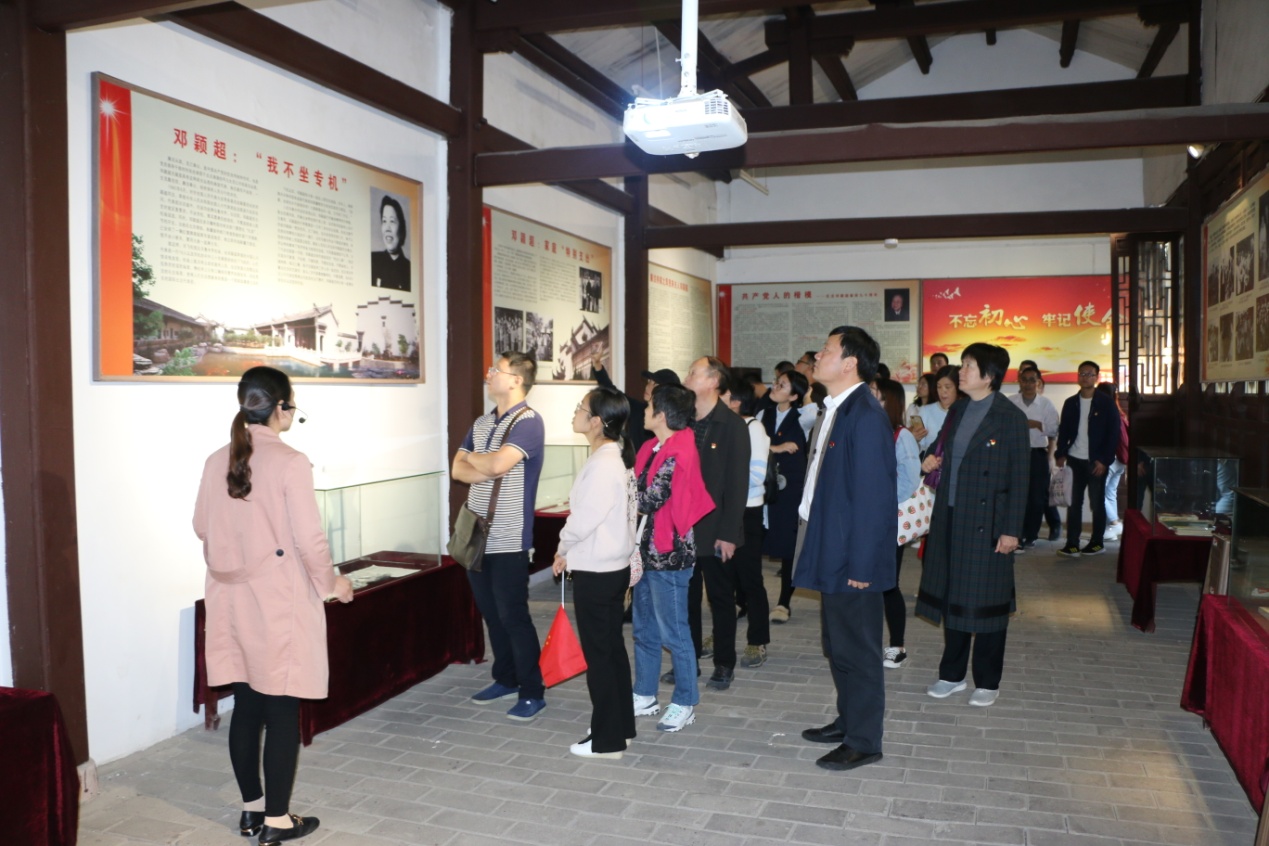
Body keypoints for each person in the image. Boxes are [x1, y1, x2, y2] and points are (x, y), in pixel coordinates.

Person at [193, 366, 354, 844]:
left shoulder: (216, 459)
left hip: (229, 598)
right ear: (281, 409)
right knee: (282, 706)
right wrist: (332, 584)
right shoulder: (290, 461)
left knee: (246, 704)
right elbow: (309, 539)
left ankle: (252, 810)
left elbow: (201, 525)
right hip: (278, 598)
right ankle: (278, 821)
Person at [793, 326, 896, 772]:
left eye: (827, 350)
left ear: (850, 363)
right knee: (838, 644)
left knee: (859, 649)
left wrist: (863, 566)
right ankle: (848, 720)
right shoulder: (835, 408)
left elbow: (874, 499)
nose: (818, 355)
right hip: (829, 542)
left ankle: (864, 740)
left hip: (853, 556)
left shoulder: (865, 416)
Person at [916, 343, 1029, 708]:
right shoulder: (959, 409)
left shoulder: (1009, 417)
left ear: (989, 376)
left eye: (968, 366)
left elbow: (1020, 479)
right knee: (954, 598)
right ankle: (951, 675)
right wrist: (929, 459)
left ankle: (987, 680)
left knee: (987, 604)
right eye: (962, 364)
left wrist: (1011, 530)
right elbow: (940, 447)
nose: (960, 371)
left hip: (988, 523)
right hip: (950, 516)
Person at [452, 351, 548, 720]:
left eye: (498, 370)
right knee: (491, 614)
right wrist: (487, 464)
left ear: (516, 381)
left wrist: (482, 461)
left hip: (509, 537)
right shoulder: (481, 422)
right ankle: (505, 677)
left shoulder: (529, 422)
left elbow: (494, 465)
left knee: (513, 616)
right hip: (477, 534)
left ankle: (532, 690)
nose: (489, 374)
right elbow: (458, 469)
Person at [552, 387, 638, 759]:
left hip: (598, 570)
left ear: (597, 422)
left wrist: (562, 547)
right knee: (611, 651)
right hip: (610, 566)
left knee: (600, 656)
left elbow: (585, 517)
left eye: (580, 408)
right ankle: (620, 726)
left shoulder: (605, 463)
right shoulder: (613, 456)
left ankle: (607, 741)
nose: (575, 413)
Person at [631, 385, 715, 733]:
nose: (644, 410)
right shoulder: (653, 447)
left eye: (648, 405)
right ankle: (644, 694)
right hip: (646, 552)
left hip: (670, 555)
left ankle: (685, 701)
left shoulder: (680, 450)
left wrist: (616, 490)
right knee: (644, 630)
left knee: (675, 632)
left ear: (661, 415)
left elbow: (649, 498)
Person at [681, 356, 750, 692]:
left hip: (716, 529)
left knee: (721, 599)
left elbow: (737, 486)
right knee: (686, 599)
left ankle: (724, 662)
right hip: (683, 527)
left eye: (693, 373)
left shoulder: (732, 426)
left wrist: (728, 534)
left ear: (712, 381)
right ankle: (688, 659)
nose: (686, 377)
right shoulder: (681, 420)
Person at [725, 380, 772, 668]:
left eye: (723, 394)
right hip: (724, 511)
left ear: (736, 401)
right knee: (724, 579)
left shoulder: (753, 428)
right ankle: (722, 635)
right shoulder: (724, 426)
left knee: (750, 578)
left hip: (746, 511)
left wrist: (720, 485)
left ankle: (757, 639)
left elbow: (756, 475)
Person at [877, 379, 922, 670]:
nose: (872, 401)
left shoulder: (901, 435)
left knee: (888, 583)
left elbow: (909, 480)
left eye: (878, 397)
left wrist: (882, 502)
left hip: (887, 519)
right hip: (863, 520)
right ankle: (868, 640)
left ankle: (897, 646)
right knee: (864, 582)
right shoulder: (867, 430)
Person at [1054, 361, 1119, 558]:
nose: (1085, 377)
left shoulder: (1106, 403)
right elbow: (1064, 431)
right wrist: (1060, 453)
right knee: (1074, 503)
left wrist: (1104, 461)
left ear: (1096, 377)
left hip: (1096, 462)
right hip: (1074, 460)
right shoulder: (1071, 403)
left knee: (1097, 503)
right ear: (1078, 376)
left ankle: (1097, 542)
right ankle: (1072, 544)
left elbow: (1113, 434)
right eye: (1082, 373)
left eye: (1090, 374)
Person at [763, 369, 809, 624]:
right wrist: (776, 447)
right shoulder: (763, 414)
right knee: (757, 540)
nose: (775, 387)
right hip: (763, 484)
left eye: (782, 385)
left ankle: (783, 602)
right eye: (776, 382)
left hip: (791, 488)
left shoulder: (804, 418)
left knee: (788, 545)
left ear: (794, 396)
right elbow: (750, 444)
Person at [591, 349, 679, 455]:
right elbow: (613, 392)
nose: (647, 386)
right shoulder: (638, 410)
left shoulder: (674, 423)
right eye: (649, 382)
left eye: (654, 384)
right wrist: (597, 365)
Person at [1010, 366, 1059, 550]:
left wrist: (1037, 424)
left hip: (1037, 454)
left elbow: (1054, 429)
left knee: (1037, 498)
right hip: (1015, 454)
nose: (1028, 384)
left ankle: (1031, 535)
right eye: (1024, 380)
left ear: (1038, 383)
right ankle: (1017, 533)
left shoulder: (1046, 404)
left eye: (1032, 380)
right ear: (1019, 382)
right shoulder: (1011, 402)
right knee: (1017, 496)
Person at [1096, 381, 1130, 541]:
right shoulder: (1119, 412)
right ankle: (1112, 528)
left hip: (1110, 459)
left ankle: (1115, 523)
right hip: (1121, 459)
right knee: (1110, 493)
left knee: (1099, 493)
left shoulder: (1105, 413)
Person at [915, 365, 961, 452]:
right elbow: (918, 448)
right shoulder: (925, 411)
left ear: (958, 387)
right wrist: (915, 439)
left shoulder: (965, 411)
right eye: (939, 387)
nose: (943, 391)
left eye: (947, 387)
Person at [370, 195, 410, 291]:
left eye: (392, 221)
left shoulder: (409, 269)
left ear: (401, 227)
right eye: (384, 221)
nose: (387, 228)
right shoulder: (372, 260)